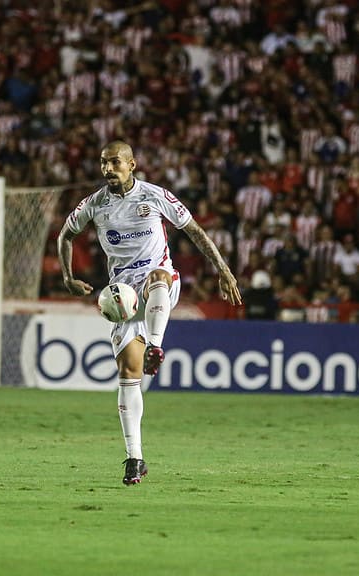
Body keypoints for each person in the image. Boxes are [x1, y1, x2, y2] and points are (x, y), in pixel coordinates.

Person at [57, 140, 242, 486]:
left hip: (159, 285)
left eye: (115, 162)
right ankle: (135, 459)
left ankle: (155, 346)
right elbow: (66, 235)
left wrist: (223, 269)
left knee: (158, 276)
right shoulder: (94, 204)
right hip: (122, 296)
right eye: (104, 163)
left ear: (132, 164)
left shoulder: (155, 196)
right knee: (128, 374)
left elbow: (194, 230)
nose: (108, 169)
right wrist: (67, 277)